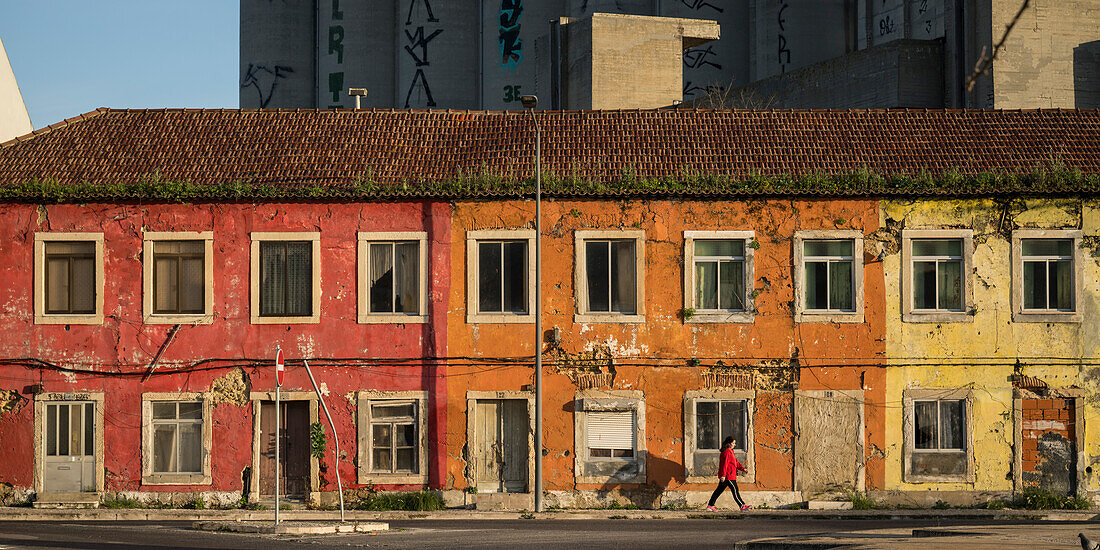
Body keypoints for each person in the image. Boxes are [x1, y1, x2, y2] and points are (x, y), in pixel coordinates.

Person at [706, 436, 750, 511]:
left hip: (728, 475)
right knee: (735, 490)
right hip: (728, 476)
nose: (734, 445)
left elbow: (736, 462)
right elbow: (724, 464)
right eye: (733, 443)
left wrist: (743, 469)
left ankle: (710, 505)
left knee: (718, 491)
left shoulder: (730, 452)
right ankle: (742, 505)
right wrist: (723, 475)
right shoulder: (727, 452)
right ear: (729, 444)